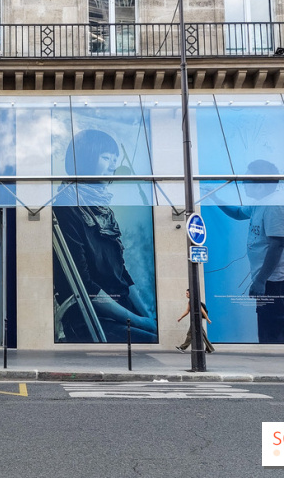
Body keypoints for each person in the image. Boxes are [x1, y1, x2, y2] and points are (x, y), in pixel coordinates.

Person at [53, 129, 157, 343]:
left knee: (159, 335)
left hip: (121, 311)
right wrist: (137, 321)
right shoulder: (66, 205)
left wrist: (146, 315)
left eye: (115, 159)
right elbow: (84, 284)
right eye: (106, 157)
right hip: (92, 317)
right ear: (86, 159)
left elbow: (122, 274)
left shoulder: (103, 209)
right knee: (150, 342)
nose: (113, 165)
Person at [214, 159, 284, 343]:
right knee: (269, 331)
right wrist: (214, 198)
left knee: (278, 334)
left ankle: (283, 369)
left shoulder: (275, 206)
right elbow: (238, 214)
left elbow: (277, 245)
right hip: (268, 281)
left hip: (278, 281)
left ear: (259, 185)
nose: (243, 184)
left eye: (246, 180)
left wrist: (260, 281)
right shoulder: (261, 202)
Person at [176, 289, 214, 354]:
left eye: (187, 293)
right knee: (200, 335)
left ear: (191, 293)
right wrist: (180, 317)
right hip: (195, 320)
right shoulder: (190, 301)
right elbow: (187, 311)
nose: (186, 295)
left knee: (191, 334)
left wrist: (208, 319)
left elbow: (202, 311)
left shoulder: (195, 301)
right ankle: (209, 348)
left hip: (197, 320)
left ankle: (182, 347)